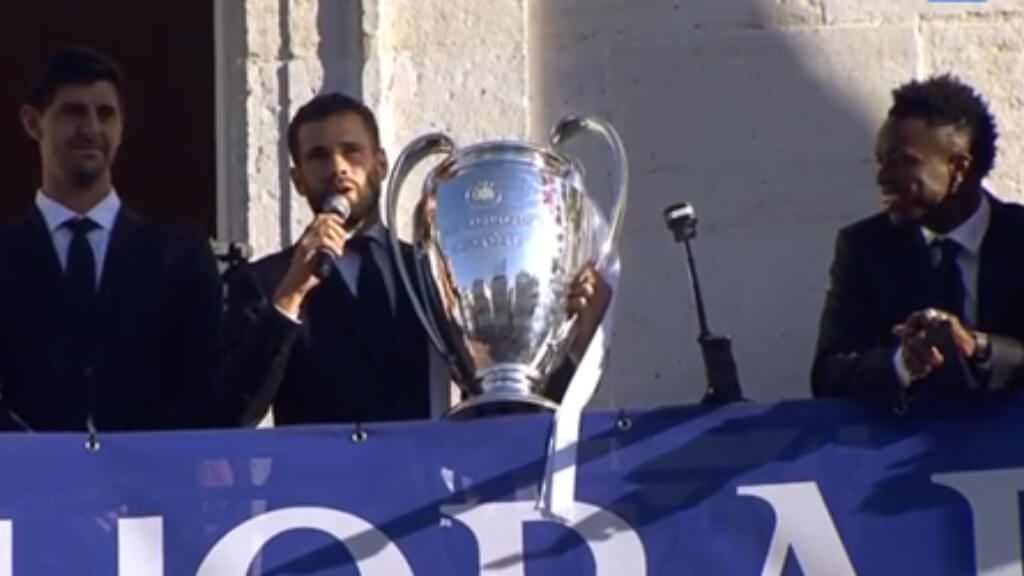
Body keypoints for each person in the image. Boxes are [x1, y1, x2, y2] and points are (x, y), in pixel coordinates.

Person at [221, 92, 610, 426]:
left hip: (425, 493)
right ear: (298, 179)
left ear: (381, 164)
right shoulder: (265, 281)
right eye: (319, 157)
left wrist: (575, 342)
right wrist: (290, 294)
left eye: (352, 151)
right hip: (319, 502)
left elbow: (512, 414)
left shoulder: (434, 269)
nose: (338, 168)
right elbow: (233, 414)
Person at [0, 45, 224, 431]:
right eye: (73, 112)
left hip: (149, 485)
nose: (91, 129)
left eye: (105, 114)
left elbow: (202, 388)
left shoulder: (179, 256)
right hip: (28, 484)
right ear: (33, 122)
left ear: (121, 127)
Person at [811, 74, 1024, 407]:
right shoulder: (864, 248)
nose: (883, 178)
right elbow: (828, 376)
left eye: (902, 162)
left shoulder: (1018, 237)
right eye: (882, 162)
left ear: (958, 168)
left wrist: (979, 347)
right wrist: (903, 363)